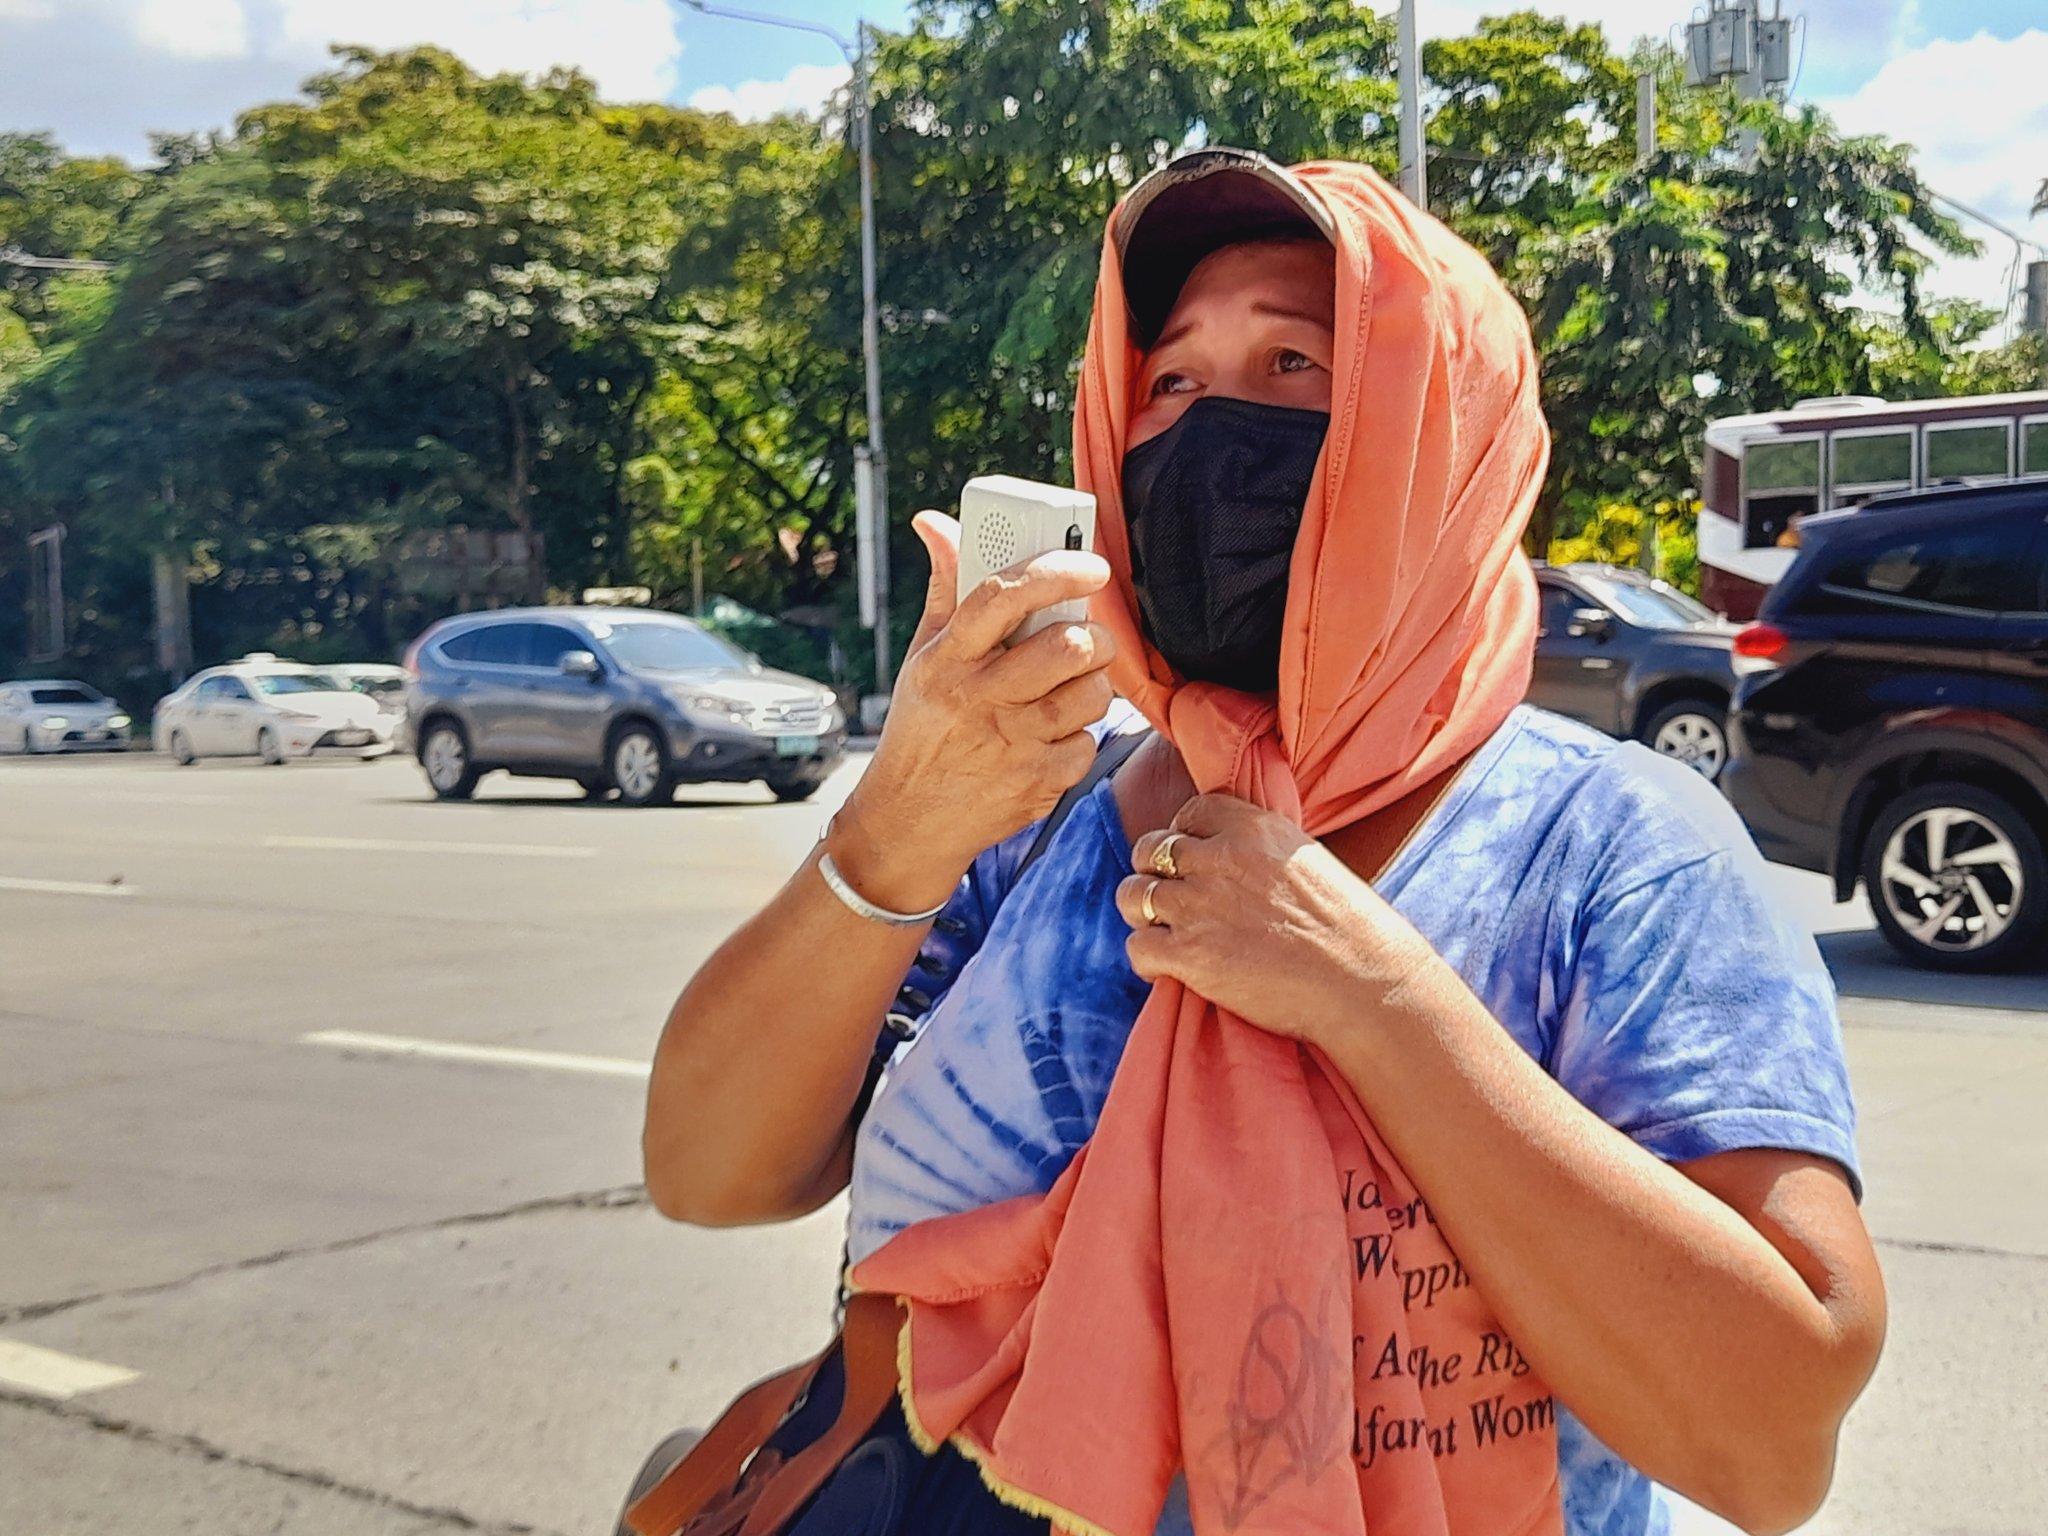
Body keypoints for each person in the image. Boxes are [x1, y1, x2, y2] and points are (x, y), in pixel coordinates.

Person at [645, 149, 1884, 1536]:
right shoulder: (1033, 807)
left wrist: (1383, 1004)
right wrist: (895, 831)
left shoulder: (1614, 851)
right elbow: (709, 1172)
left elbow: (1770, 1448)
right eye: (1170, 381)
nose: (1213, 428)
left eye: (1297, 364)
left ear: (1438, 433)